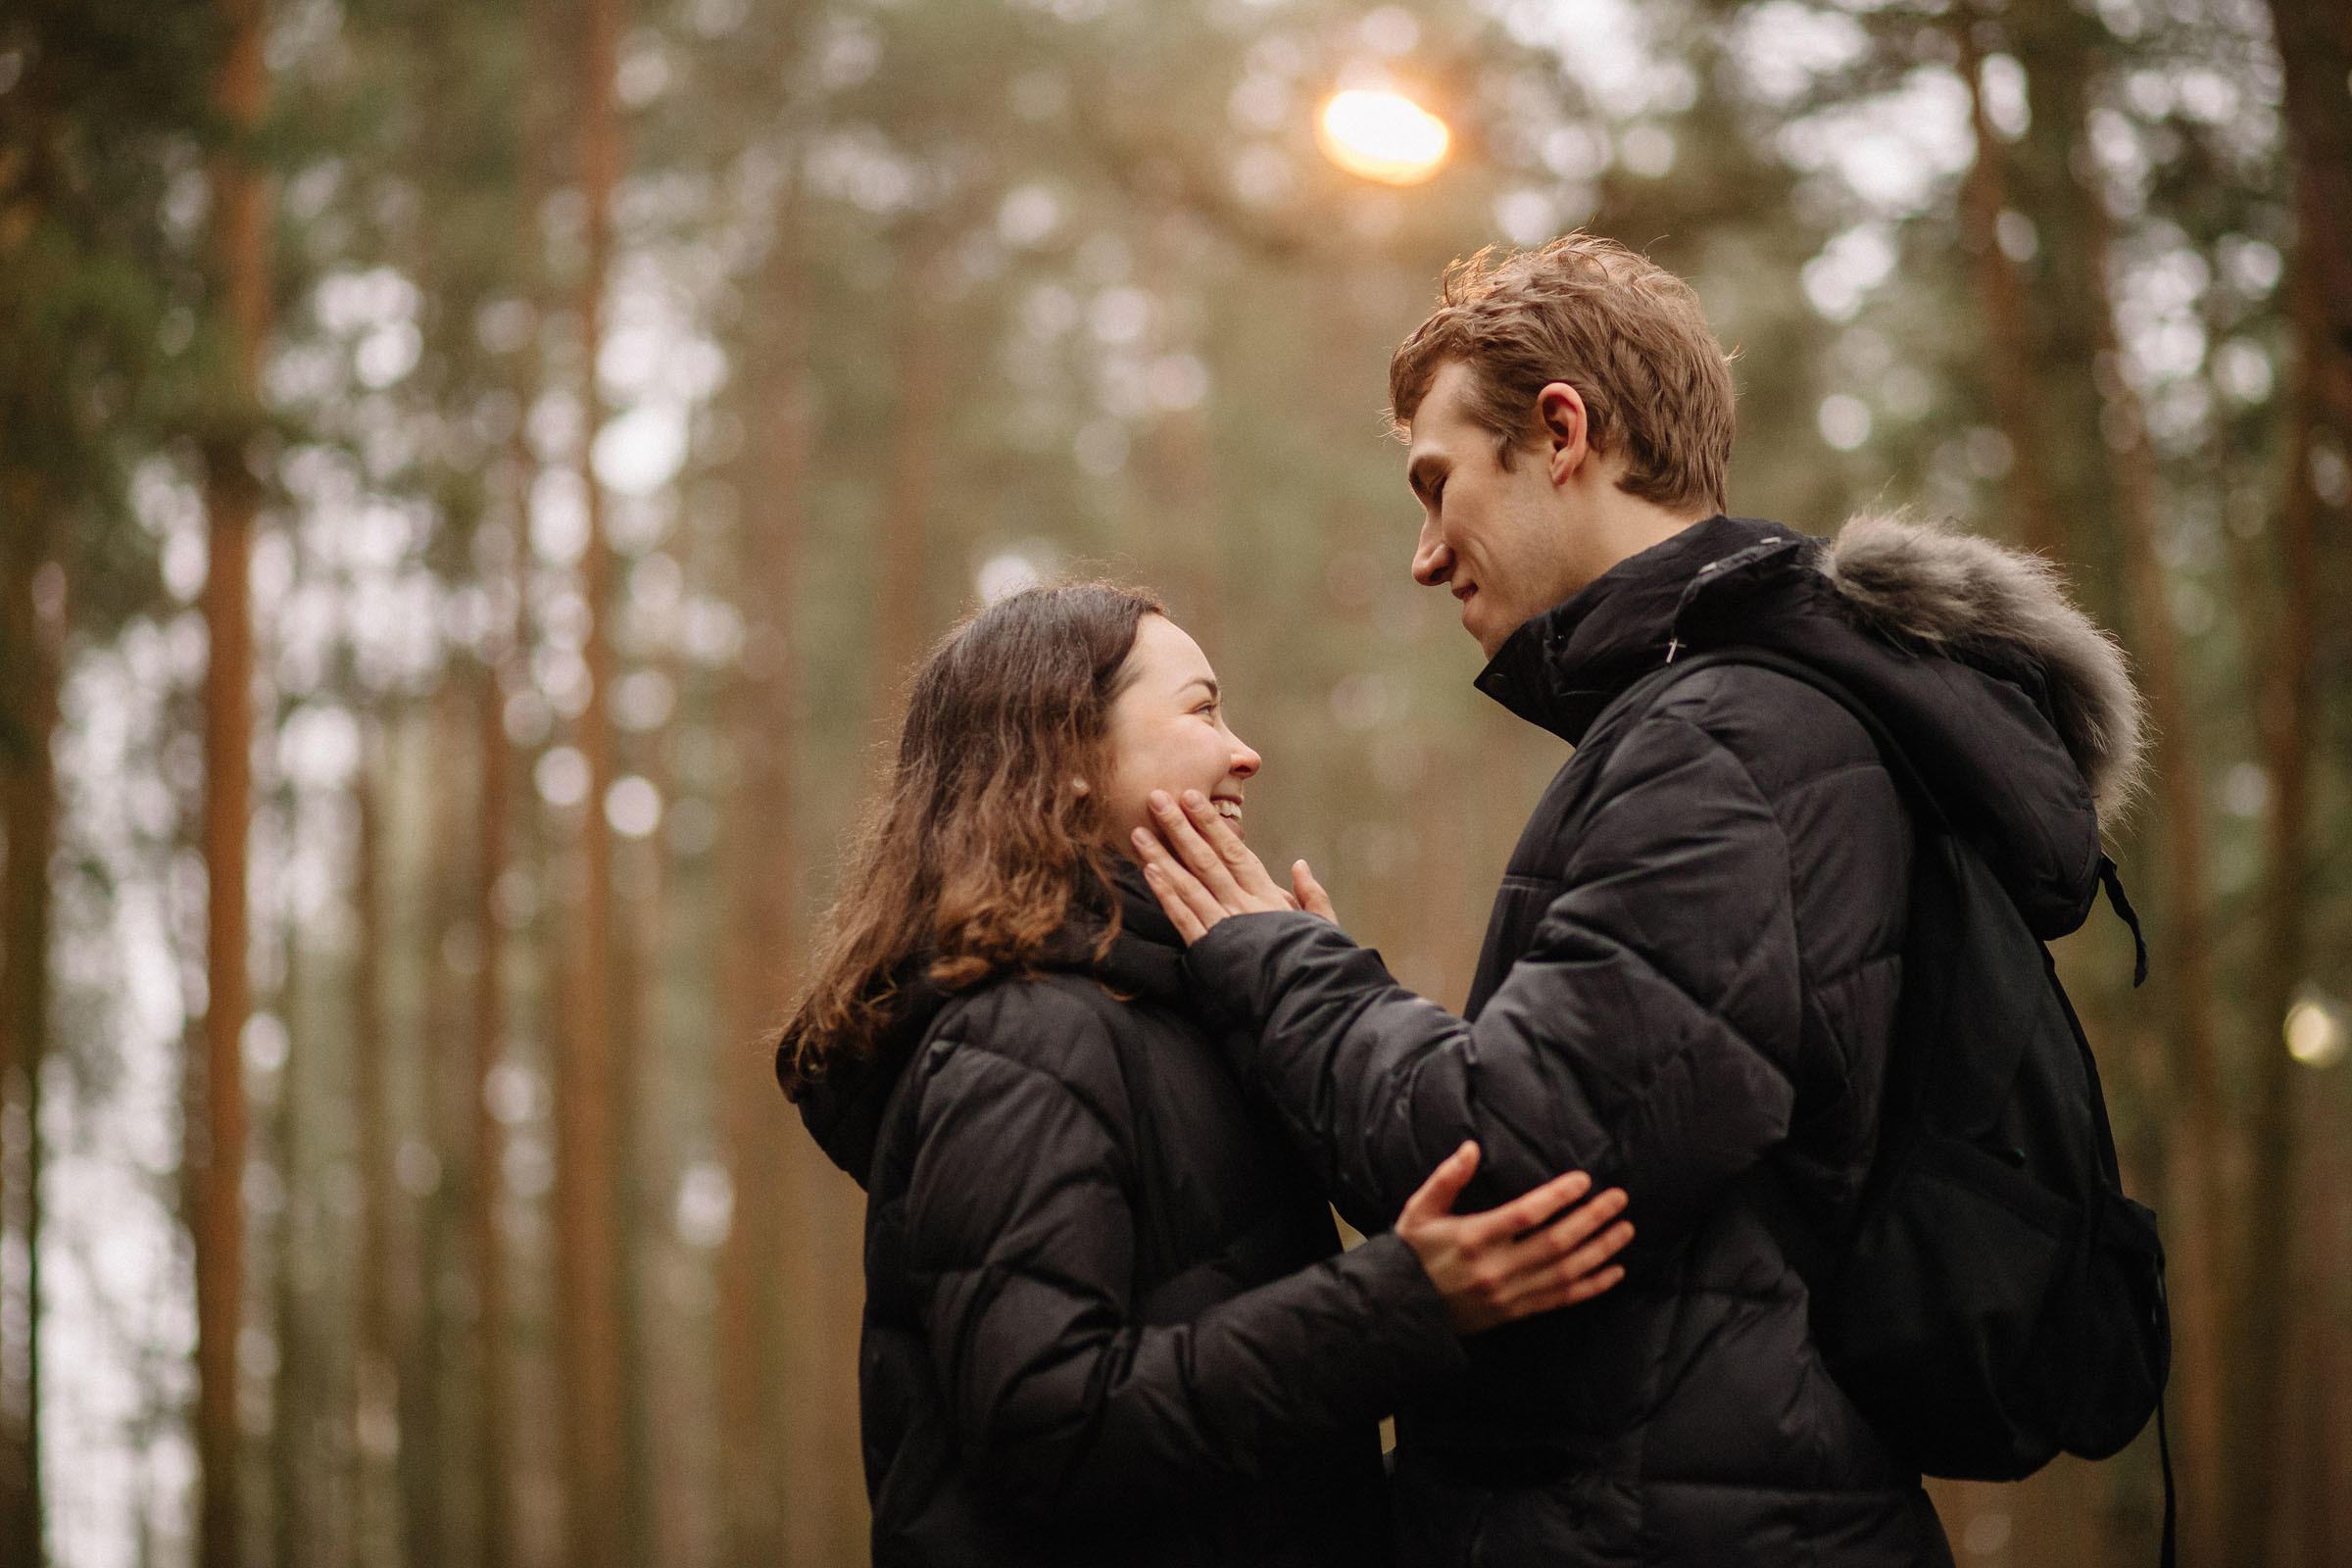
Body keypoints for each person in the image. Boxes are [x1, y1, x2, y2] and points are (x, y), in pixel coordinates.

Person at [1133, 235, 2146, 1568]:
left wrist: (1280, 967)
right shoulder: (1749, 726)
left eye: (1438, 489)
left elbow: (1511, 1171)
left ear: (1562, 432)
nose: (1426, 558)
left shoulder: (1727, 739)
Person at [778, 582, 1638, 1568]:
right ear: (1065, 760)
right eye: (1201, 708)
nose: (1245, 750)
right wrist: (1400, 1304)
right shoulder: (1024, 1033)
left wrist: (1304, 991)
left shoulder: (1165, 1015)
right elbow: (1046, 1423)